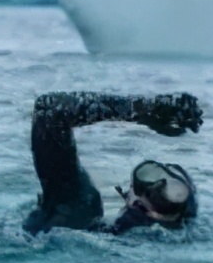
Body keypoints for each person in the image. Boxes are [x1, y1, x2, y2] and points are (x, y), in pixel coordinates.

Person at [23, 91, 203, 235]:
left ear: (135, 203)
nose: (156, 182)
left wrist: (142, 110)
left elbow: (50, 108)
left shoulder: (77, 211)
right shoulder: (105, 233)